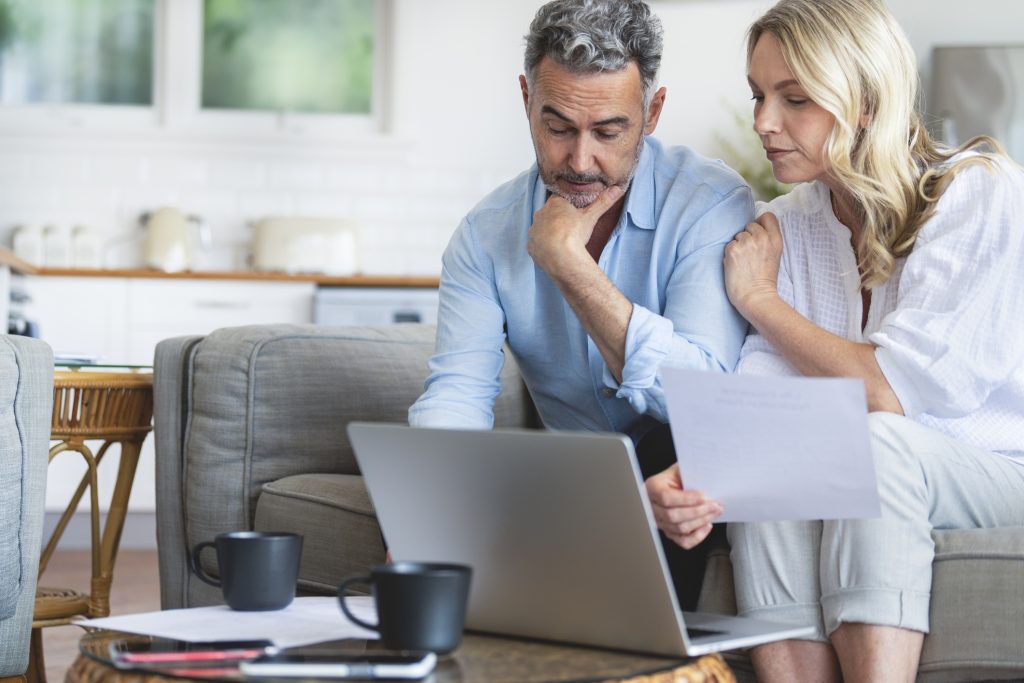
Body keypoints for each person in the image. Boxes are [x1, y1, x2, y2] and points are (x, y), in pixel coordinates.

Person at [646, 0, 1024, 680]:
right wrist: (697, 478)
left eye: (795, 98)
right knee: (769, 466)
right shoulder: (784, 227)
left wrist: (759, 300)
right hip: (882, 456)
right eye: (760, 95)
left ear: (866, 103)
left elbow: (891, 393)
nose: (764, 122)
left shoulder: (977, 193)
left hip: (997, 466)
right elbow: (763, 406)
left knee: (873, 442)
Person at [408, 0, 752, 608]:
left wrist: (569, 265)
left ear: (653, 112)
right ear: (526, 101)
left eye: (609, 132)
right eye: (559, 126)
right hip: (577, 480)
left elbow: (706, 401)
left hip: (687, 462)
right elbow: (457, 395)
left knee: (669, 446)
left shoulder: (709, 203)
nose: (579, 161)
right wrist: (428, 513)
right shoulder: (484, 233)